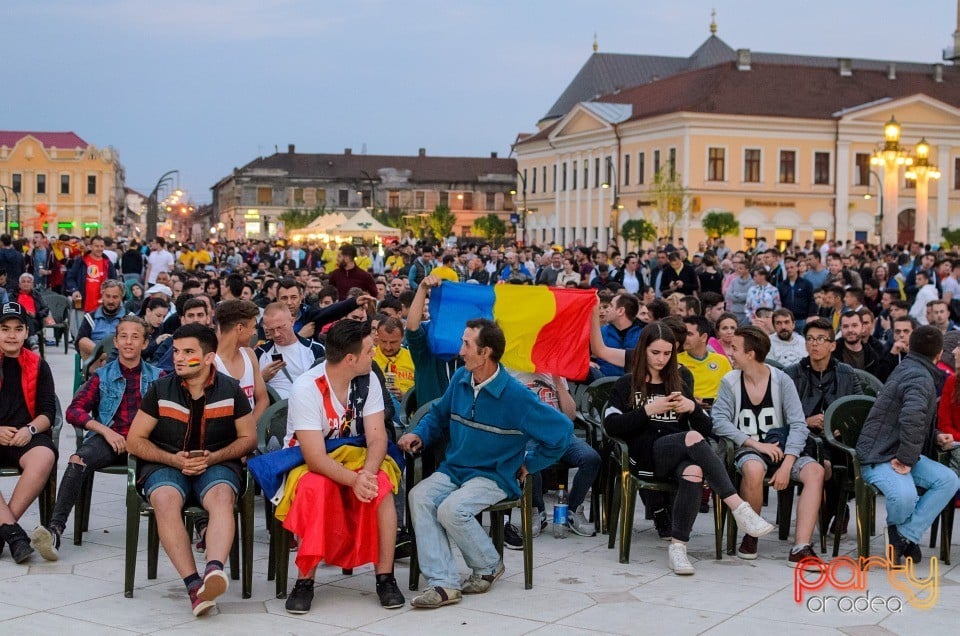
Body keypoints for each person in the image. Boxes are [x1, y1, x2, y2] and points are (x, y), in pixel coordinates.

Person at [398, 319, 571, 609]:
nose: (461, 350)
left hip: (495, 475)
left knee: (452, 509)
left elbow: (562, 433)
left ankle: (489, 564)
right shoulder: (461, 379)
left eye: (467, 344)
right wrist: (419, 433)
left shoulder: (518, 397)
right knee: (419, 496)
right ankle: (443, 583)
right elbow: (438, 415)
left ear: (485, 352)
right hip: (456, 468)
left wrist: (531, 463)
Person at [604, 322, 774, 575]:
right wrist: (648, 410)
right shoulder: (627, 383)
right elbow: (611, 425)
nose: (661, 359)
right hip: (646, 457)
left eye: (667, 353)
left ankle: (678, 548)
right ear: (643, 351)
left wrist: (692, 408)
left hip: (679, 453)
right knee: (691, 438)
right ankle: (738, 506)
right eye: (655, 353)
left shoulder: (680, 379)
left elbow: (706, 429)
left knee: (694, 471)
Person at [126, 324, 257, 617]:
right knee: (164, 500)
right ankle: (194, 586)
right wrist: (175, 461)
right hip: (166, 463)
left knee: (222, 497)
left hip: (217, 462)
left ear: (208, 358)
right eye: (176, 352)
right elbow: (134, 441)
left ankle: (214, 570)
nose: (179, 358)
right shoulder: (160, 389)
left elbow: (249, 438)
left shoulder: (230, 389)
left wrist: (214, 457)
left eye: (188, 352)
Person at [281, 319, 406, 613]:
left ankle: (385, 577)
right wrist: (353, 480)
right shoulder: (306, 387)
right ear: (350, 359)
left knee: (382, 489)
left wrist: (368, 474)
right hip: (311, 458)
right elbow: (314, 457)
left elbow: (377, 437)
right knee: (316, 488)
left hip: (358, 456)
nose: (373, 354)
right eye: (368, 350)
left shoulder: (368, 379)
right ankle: (304, 581)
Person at [30, 316, 160, 560]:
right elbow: (73, 411)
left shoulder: (158, 376)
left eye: (135, 337)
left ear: (144, 343)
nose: (129, 342)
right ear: (116, 342)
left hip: (146, 441)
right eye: (123, 336)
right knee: (77, 459)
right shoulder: (103, 375)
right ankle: (56, 530)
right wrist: (104, 430)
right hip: (111, 439)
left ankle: (200, 526)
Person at [710, 326, 826, 568]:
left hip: (783, 448)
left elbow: (798, 424)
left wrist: (787, 464)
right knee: (753, 468)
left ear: (750, 354)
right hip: (750, 448)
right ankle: (751, 535)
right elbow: (719, 422)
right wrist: (754, 443)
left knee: (816, 471)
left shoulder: (782, 380)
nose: (730, 353)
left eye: (735, 349)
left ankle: (801, 547)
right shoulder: (730, 381)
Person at [857, 325, 960, 564]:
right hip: (879, 454)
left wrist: (934, 436)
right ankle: (902, 537)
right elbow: (911, 417)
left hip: (900, 448)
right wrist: (906, 459)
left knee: (948, 480)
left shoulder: (913, 368)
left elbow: (914, 418)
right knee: (905, 496)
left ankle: (903, 535)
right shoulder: (918, 375)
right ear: (939, 354)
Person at [504, 371, 600, 547]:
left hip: (560, 434)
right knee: (531, 461)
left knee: (591, 458)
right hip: (529, 435)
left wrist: (558, 381)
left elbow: (570, 415)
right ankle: (536, 511)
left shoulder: (555, 373)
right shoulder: (512, 372)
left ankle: (572, 510)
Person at [0, 302, 58, 563]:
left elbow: (48, 412)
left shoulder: (38, 364)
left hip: (26, 435)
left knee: (44, 456)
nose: (11, 335)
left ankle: (4, 532)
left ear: (26, 333)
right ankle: (15, 536)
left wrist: (29, 429)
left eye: (18, 328)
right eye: (4, 329)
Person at [255, 303, 326, 400]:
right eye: (270, 330)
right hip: (277, 412)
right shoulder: (259, 353)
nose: (276, 334)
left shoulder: (315, 349)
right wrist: (262, 378)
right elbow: (250, 393)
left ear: (292, 321)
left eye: (280, 327)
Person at [677, 316, 732, 407]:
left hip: (717, 409)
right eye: (683, 334)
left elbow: (730, 390)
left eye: (689, 334)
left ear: (703, 337)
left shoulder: (721, 361)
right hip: (687, 408)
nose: (684, 338)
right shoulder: (676, 360)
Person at [75, 279, 127, 358]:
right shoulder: (90, 318)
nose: (111, 301)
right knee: (82, 341)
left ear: (121, 297)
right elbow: (79, 344)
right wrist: (102, 355)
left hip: (120, 358)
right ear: (102, 295)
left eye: (115, 297)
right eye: (107, 296)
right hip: (96, 359)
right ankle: (105, 358)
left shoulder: (129, 318)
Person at [66, 235, 118, 313]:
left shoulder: (107, 263)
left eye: (102, 246)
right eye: (96, 246)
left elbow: (114, 281)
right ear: (90, 247)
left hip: (102, 306)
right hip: (82, 305)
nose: (100, 249)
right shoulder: (81, 261)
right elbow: (70, 277)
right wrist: (74, 290)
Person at [596, 293, 643, 377]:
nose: (606, 310)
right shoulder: (600, 332)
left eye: (611, 306)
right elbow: (582, 354)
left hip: (632, 385)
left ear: (620, 311)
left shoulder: (643, 334)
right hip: (603, 384)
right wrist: (589, 363)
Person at [373, 317, 415, 402]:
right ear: (377, 336)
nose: (388, 347)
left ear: (402, 337)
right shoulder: (368, 357)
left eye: (393, 342)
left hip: (407, 411)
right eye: (384, 342)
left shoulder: (413, 359)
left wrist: (405, 397)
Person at [832, 311, 881, 377]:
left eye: (854, 325)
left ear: (862, 328)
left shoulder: (872, 357)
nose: (850, 330)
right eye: (845, 326)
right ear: (841, 329)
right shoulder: (830, 352)